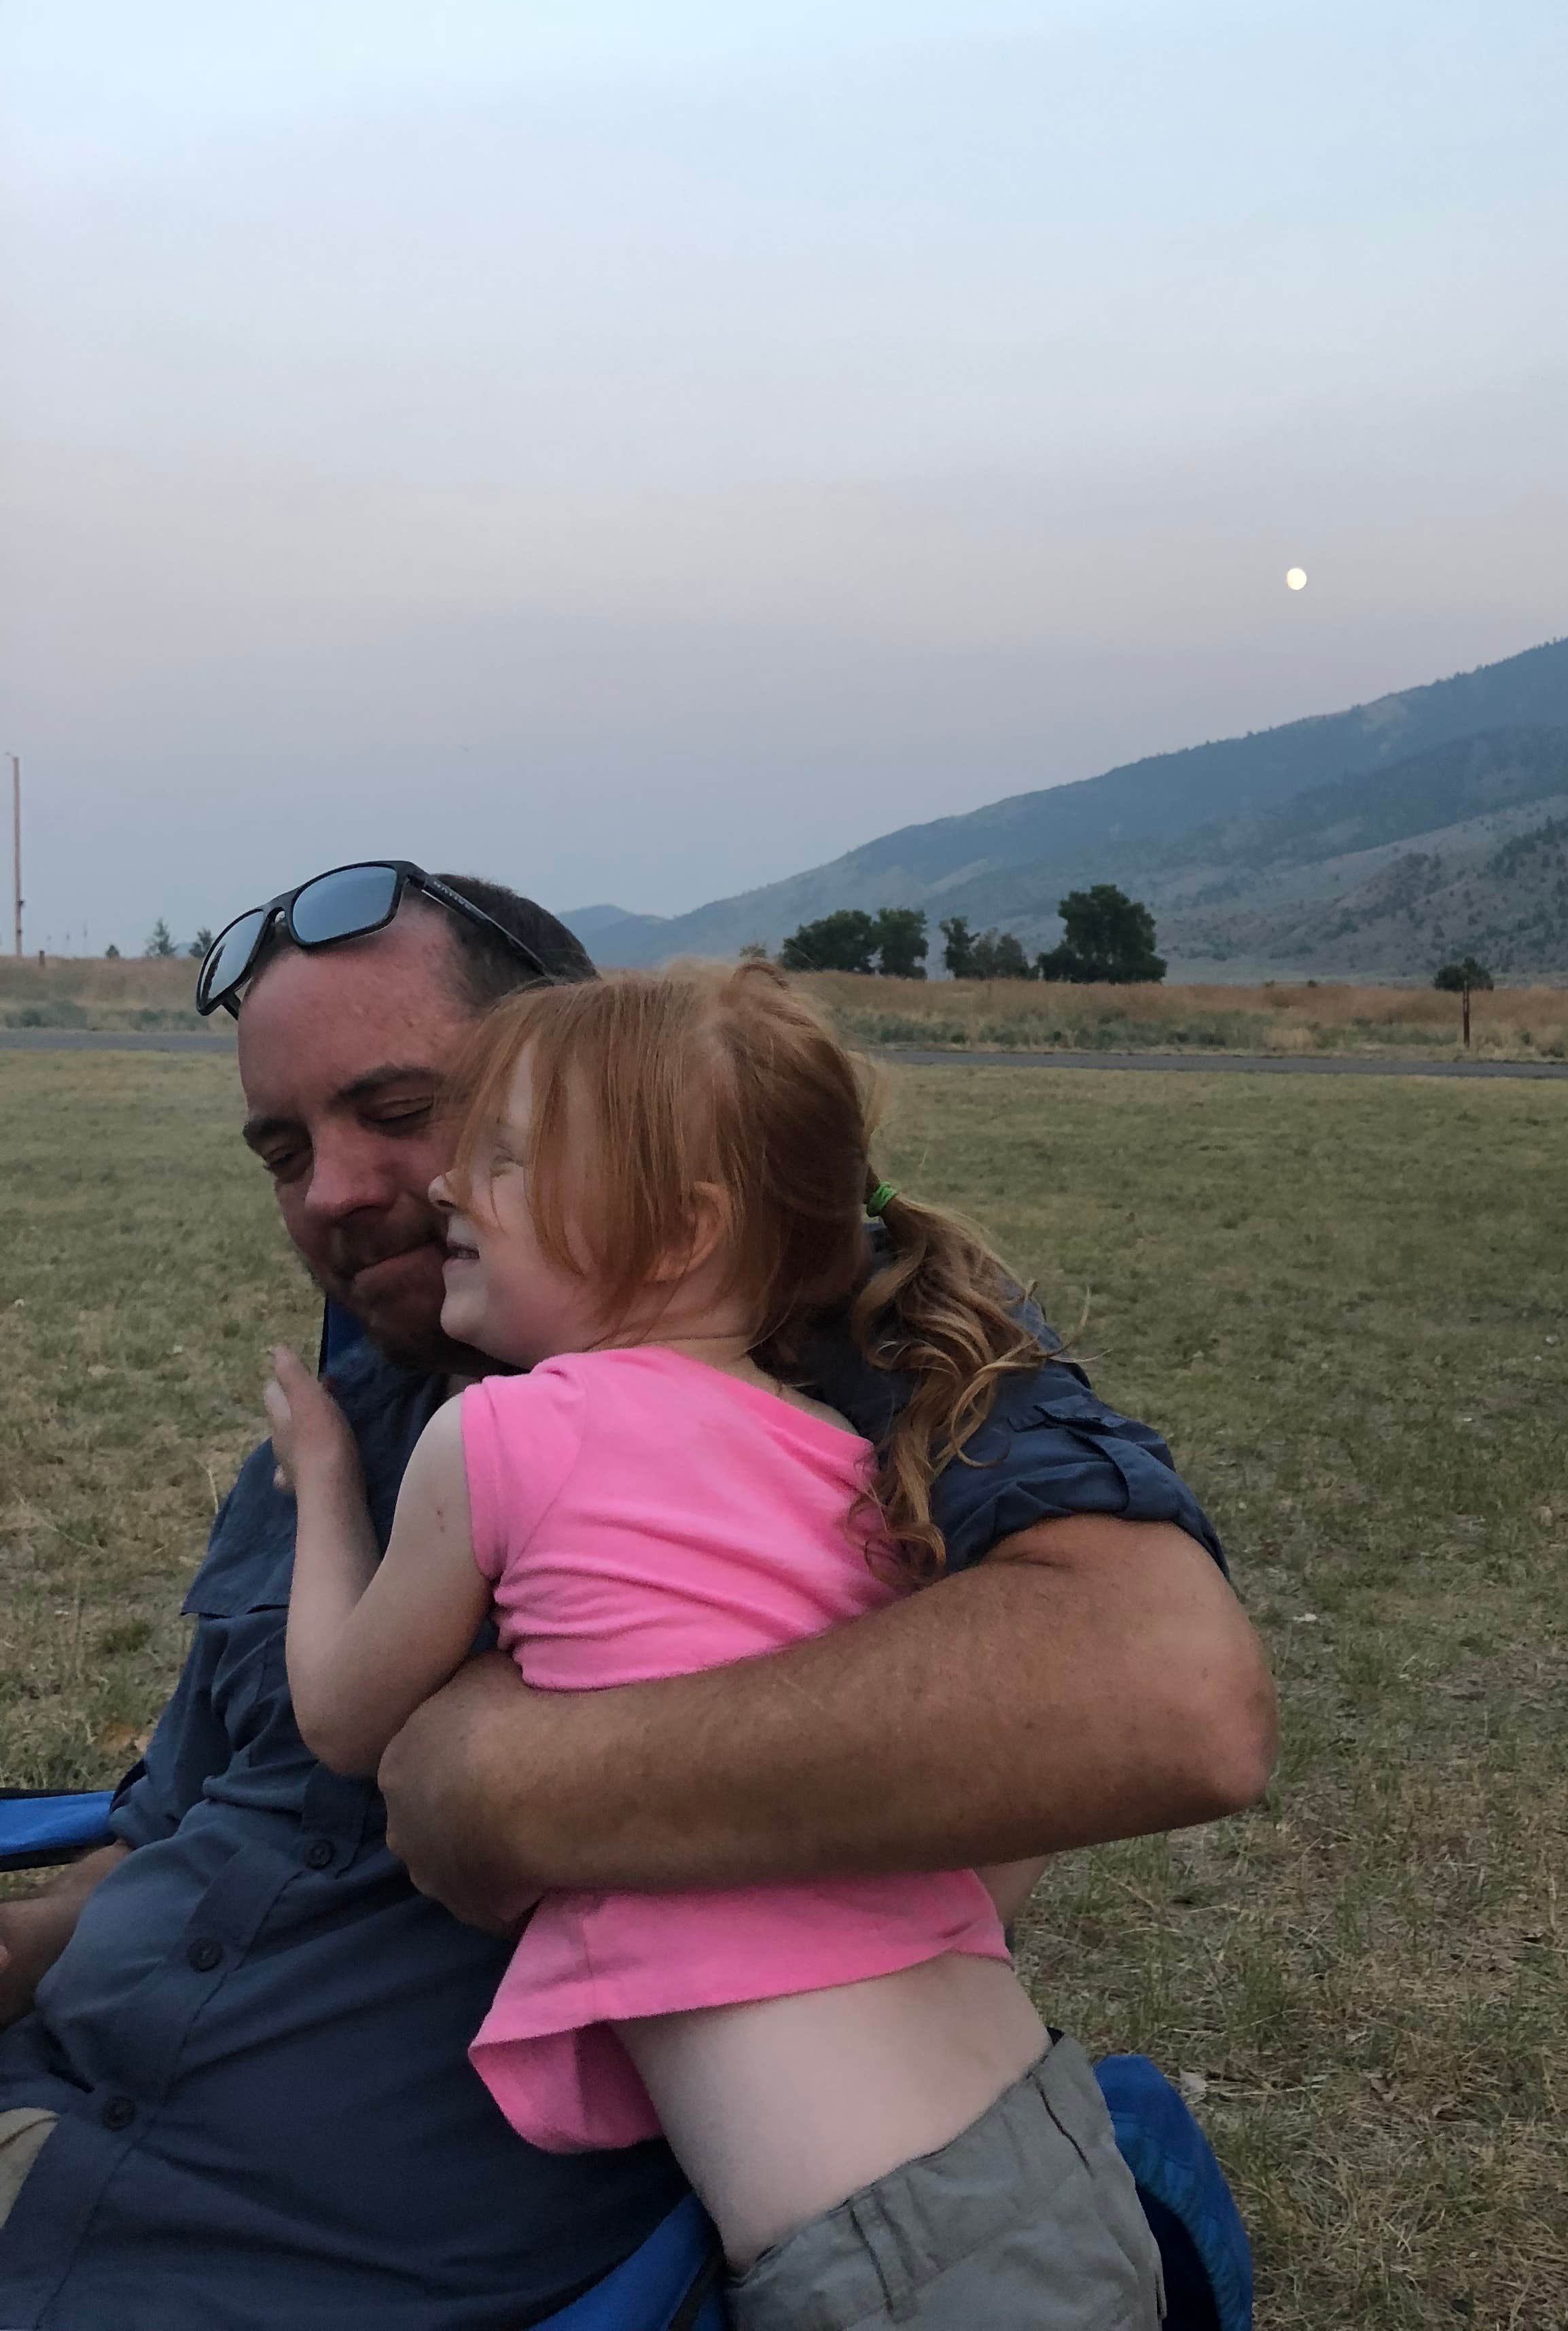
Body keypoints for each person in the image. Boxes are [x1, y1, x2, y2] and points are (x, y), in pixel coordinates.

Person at [0, 866, 1273, 2331]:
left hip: (293, 2257)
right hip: (55, 2114)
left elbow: (1168, 1692)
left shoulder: (815, 1351)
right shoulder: (340, 1414)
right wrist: (33, 1938)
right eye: (284, 1149)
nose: (341, 1192)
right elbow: (193, 1815)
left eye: (408, 1115)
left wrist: (515, 1776)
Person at [270, 963, 1166, 2328]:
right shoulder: (859, 1463)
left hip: (885, 2256)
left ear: (680, 1232)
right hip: (1045, 2143)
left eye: (503, 1159)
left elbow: (340, 1718)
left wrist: (326, 1479)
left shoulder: (506, 1434)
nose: (451, 1189)